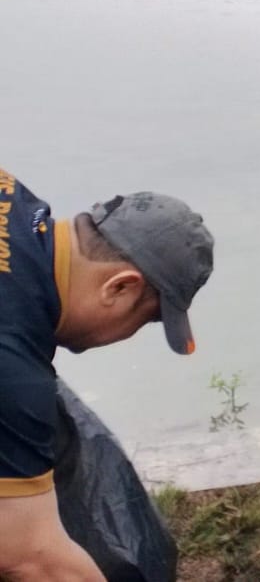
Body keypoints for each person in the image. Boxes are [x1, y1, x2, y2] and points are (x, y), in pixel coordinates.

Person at [0, 168, 214, 582]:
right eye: (146, 320)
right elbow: (31, 558)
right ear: (119, 288)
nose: (128, 336)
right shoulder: (14, 369)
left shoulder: (11, 193)